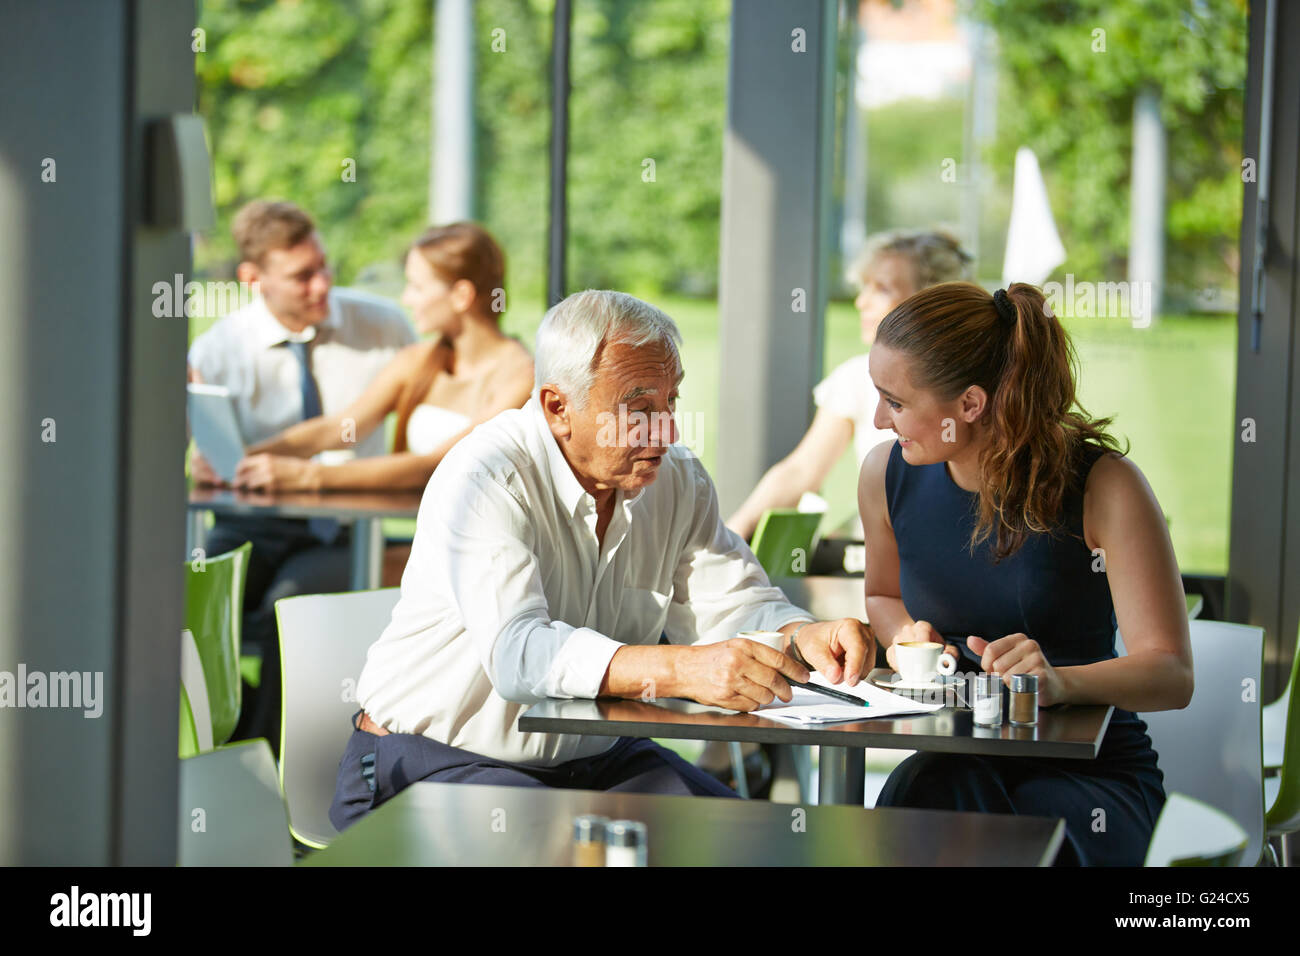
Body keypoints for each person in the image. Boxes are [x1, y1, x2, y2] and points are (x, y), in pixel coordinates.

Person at [329, 290, 874, 829]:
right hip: (432, 761)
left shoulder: (677, 479)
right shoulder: (487, 476)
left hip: (593, 762)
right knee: (559, 847)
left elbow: (732, 602)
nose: (668, 431)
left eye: (671, 401)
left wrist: (801, 634)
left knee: (747, 841)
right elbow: (520, 653)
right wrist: (682, 668)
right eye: (639, 409)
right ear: (557, 408)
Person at [859, 280, 1193, 866]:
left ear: (969, 404)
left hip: (1087, 777)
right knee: (924, 803)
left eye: (896, 401)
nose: (880, 419)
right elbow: (884, 595)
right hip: (956, 762)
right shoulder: (885, 474)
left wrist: (1060, 683)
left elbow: (1170, 673)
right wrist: (903, 635)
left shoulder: (1104, 485)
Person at [188, 199, 416, 745]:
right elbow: (213, 457)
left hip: (345, 528)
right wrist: (211, 464)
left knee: (282, 611)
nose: (322, 285)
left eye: (324, 267)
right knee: (193, 609)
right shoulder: (220, 348)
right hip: (256, 524)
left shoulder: (383, 328)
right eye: (302, 276)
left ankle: (269, 768)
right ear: (253, 279)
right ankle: (221, 742)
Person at [232, 222, 533, 496]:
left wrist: (308, 476)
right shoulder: (416, 360)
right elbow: (341, 428)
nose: (407, 299)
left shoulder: (522, 376)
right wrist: (242, 458)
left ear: (461, 295)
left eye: (417, 286)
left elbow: (437, 465)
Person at [726, 230, 971, 540]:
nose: (861, 302)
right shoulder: (855, 377)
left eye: (881, 288)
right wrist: (730, 535)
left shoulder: (972, 383)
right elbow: (801, 471)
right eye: (863, 287)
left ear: (930, 299)